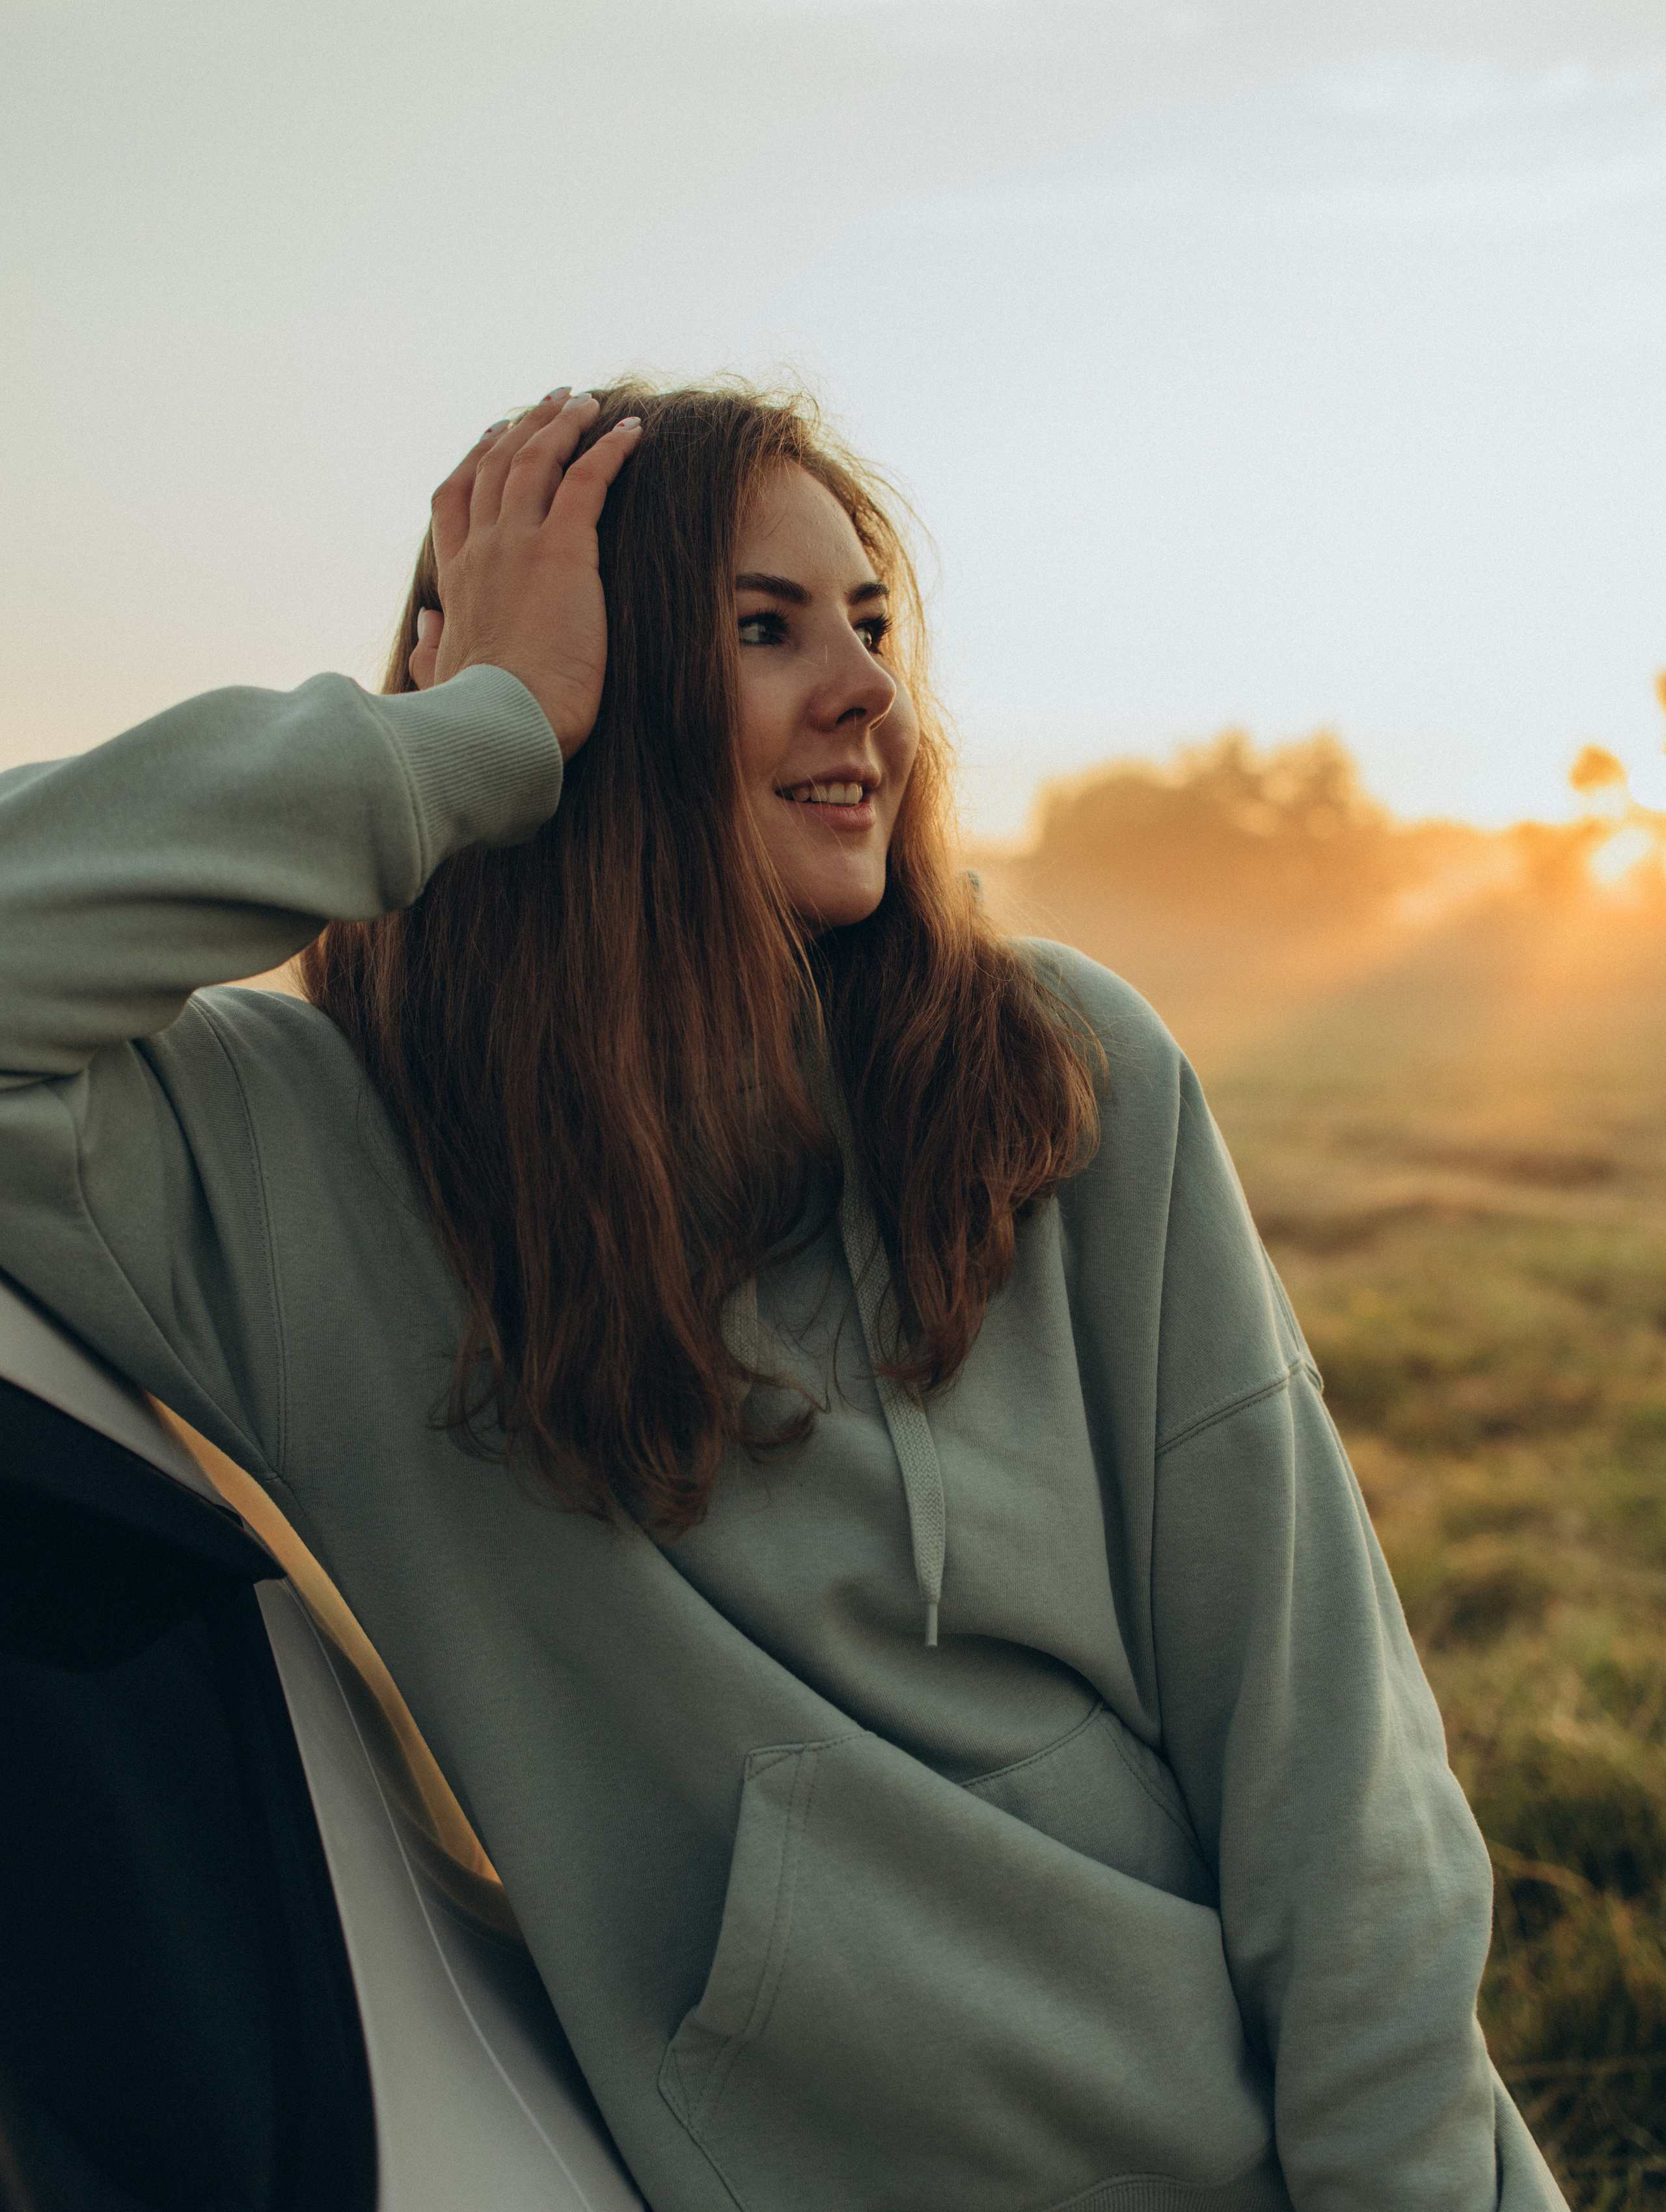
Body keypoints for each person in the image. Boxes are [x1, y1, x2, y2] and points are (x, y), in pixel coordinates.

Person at [0, 383, 1564, 2211]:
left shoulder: (1052, 1079)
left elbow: (1330, 1767)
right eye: (762, 629)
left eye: (873, 625)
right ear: (576, 679)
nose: (869, 696)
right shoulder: (311, 1162)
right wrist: (454, 743)